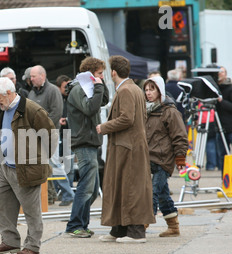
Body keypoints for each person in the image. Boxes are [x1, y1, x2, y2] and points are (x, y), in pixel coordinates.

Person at [0, 77, 56, 254]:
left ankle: (33, 245)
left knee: (31, 210)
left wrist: (39, 159)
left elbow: (51, 136)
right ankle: (10, 241)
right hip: (6, 167)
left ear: (9, 93)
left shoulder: (32, 109)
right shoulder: (4, 108)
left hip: (26, 168)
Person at [96, 55, 155, 243]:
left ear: (113, 72)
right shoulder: (134, 88)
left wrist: (104, 127)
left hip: (127, 147)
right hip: (129, 146)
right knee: (122, 186)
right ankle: (119, 230)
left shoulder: (126, 91)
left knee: (130, 188)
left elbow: (127, 118)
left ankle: (135, 233)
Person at [65, 57, 109, 238]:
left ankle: (82, 224)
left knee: (92, 189)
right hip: (83, 142)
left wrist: (101, 84)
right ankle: (74, 225)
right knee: (86, 187)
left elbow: (103, 101)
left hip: (91, 142)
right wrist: (98, 86)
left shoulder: (89, 87)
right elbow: (90, 108)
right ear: (90, 73)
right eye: (99, 73)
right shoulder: (77, 89)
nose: (102, 76)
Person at [144, 76, 188, 237]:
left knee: (152, 192)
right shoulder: (147, 110)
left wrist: (180, 158)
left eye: (152, 89)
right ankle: (173, 226)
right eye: (146, 90)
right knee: (162, 193)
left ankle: (141, 226)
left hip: (163, 159)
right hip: (149, 158)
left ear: (160, 90)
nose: (148, 93)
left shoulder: (170, 111)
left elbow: (180, 136)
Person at [28, 65, 74, 206]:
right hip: (36, 134)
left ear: (42, 76)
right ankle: (49, 196)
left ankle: (68, 194)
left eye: (33, 76)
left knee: (54, 164)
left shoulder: (53, 91)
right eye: (31, 76)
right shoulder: (32, 93)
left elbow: (56, 113)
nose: (31, 79)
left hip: (49, 134)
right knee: (43, 166)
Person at [215, 66, 232, 170]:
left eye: (221, 72)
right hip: (220, 128)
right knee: (222, 156)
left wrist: (222, 101)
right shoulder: (215, 90)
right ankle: (225, 180)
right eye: (217, 72)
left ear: (225, 74)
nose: (219, 74)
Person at [56, 75, 74, 187]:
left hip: (68, 133)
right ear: (59, 87)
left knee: (69, 165)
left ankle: (69, 188)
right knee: (55, 164)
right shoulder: (56, 97)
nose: (67, 89)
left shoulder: (72, 97)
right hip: (57, 133)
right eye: (64, 87)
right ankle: (59, 190)